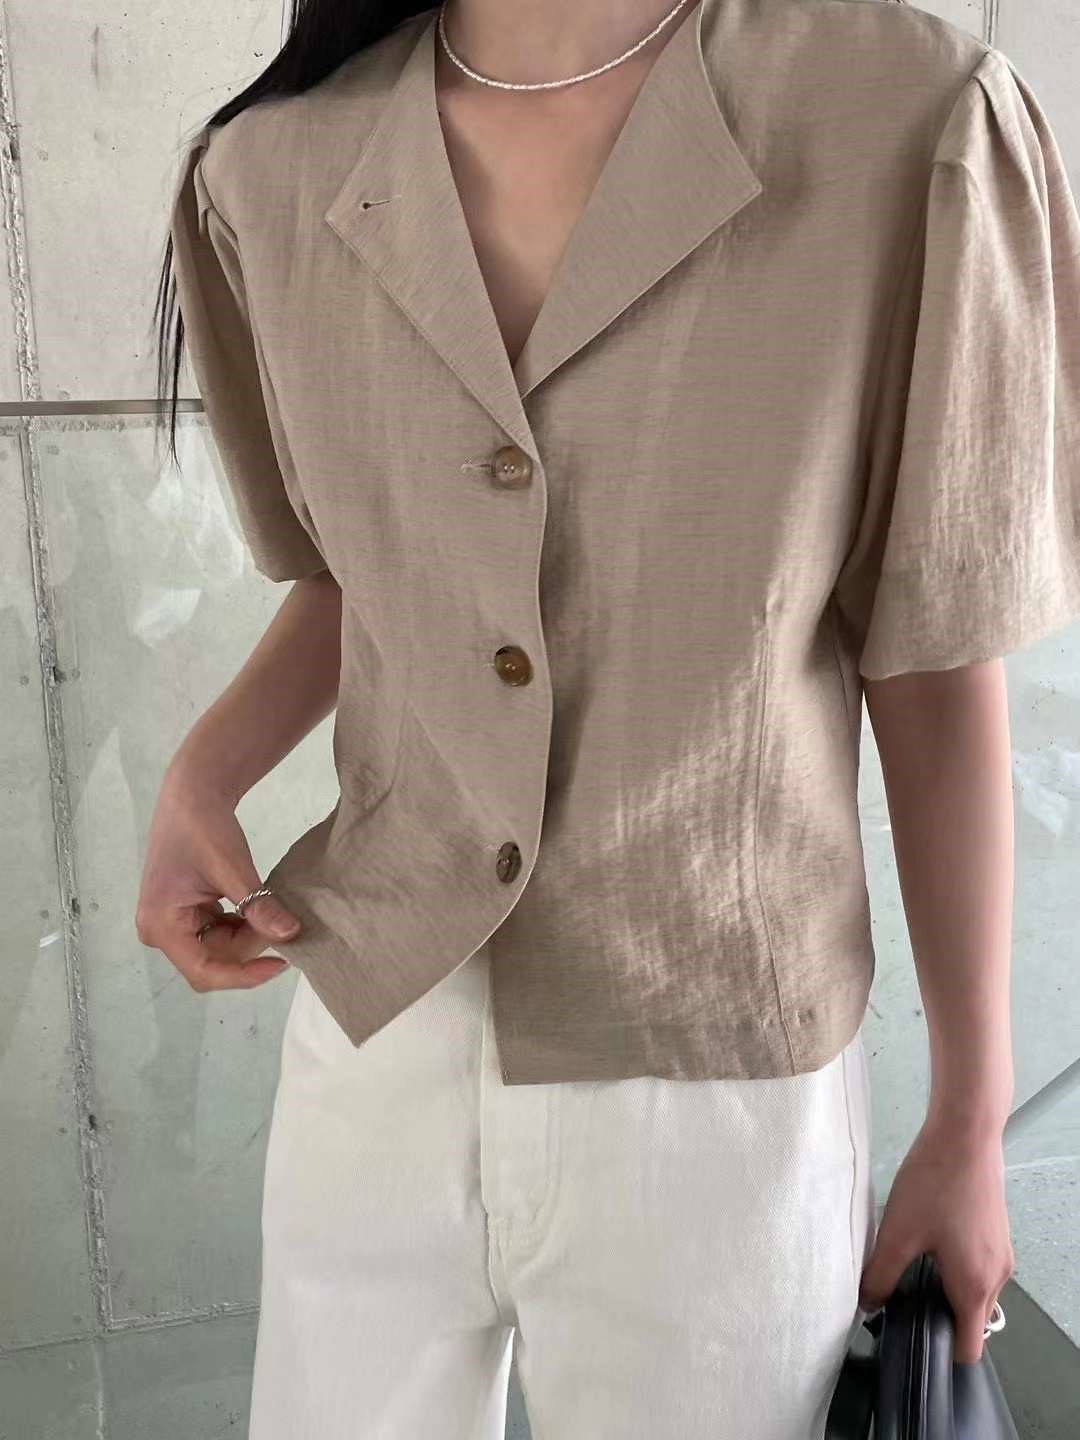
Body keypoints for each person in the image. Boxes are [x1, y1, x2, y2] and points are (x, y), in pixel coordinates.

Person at [138, 0, 1080, 1435]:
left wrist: (968, 1116)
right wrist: (199, 777)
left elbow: (933, 655)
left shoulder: (906, 115)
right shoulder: (273, 168)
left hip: (711, 1071)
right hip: (375, 1029)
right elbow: (366, 578)